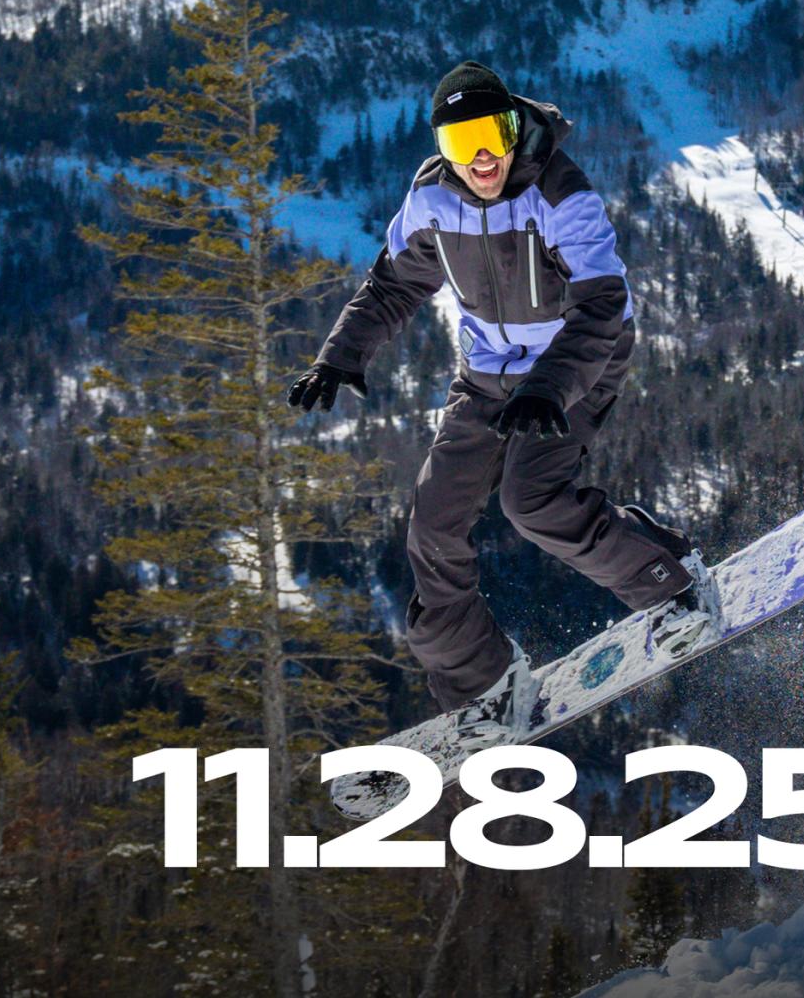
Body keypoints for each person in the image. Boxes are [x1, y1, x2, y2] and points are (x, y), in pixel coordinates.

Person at [285, 60, 720, 734]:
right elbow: (393, 284)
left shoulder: (560, 193)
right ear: (442, 149)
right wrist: (340, 355)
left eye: (492, 135)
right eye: (461, 143)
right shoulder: (432, 199)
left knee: (532, 501)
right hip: (487, 373)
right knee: (433, 525)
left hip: (577, 361)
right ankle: (485, 682)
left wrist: (550, 385)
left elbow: (602, 304)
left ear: (515, 128)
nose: (481, 158)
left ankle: (673, 585)